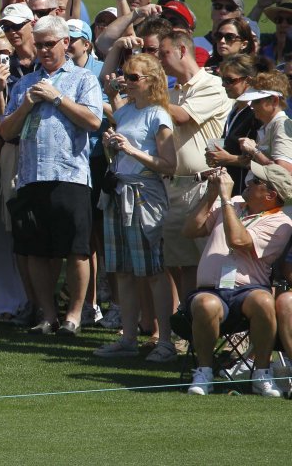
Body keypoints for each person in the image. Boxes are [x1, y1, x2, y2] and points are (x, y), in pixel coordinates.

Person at [0, 16, 103, 336]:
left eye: (49, 44)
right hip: (31, 174)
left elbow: (93, 121)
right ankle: (47, 315)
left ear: (65, 44)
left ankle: (73, 315)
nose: (43, 50)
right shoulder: (23, 84)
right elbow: (6, 131)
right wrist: (27, 104)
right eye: (39, 44)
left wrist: (58, 98)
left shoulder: (84, 79)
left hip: (70, 174)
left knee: (76, 249)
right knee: (36, 250)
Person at [92, 54, 177, 362]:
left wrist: (131, 149)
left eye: (133, 77)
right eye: (125, 75)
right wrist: (112, 144)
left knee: (153, 270)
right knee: (123, 271)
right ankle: (128, 339)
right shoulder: (127, 111)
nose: (126, 81)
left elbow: (168, 164)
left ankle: (165, 341)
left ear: (150, 81)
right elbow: (123, 149)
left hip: (144, 194)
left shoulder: (158, 115)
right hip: (118, 190)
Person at [182, 165, 290, 398]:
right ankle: (204, 372)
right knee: (205, 304)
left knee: (263, 301)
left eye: (255, 181)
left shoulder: (280, 223)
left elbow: (238, 240)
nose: (248, 182)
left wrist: (225, 200)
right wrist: (212, 196)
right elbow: (190, 230)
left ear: (271, 195)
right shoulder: (235, 203)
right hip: (211, 290)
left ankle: (261, 373)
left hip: (248, 290)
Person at [158, 31, 230, 302]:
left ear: (181, 51)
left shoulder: (211, 85)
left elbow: (183, 116)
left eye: (164, 53)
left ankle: (221, 326)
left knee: (210, 261)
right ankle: (190, 328)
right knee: (183, 264)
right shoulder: (171, 91)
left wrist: (153, 93)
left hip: (204, 187)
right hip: (175, 186)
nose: (160, 60)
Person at [204, 54, 261, 195]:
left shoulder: (256, 112)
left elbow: (263, 159)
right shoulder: (235, 108)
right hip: (231, 188)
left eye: (229, 80)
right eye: (223, 79)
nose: (224, 84)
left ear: (247, 80)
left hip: (249, 191)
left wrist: (228, 159)